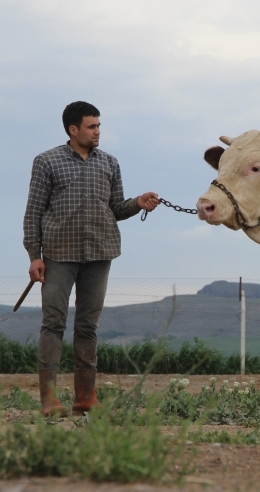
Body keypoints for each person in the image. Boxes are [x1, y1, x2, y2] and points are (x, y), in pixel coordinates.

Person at [23, 101, 160, 416]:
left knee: (87, 326)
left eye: (99, 126)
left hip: (100, 253)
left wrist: (137, 202)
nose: (98, 132)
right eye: (92, 126)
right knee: (53, 323)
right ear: (74, 130)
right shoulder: (46, 162)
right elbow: (33, 211)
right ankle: (49, 399)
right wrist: (34, 255)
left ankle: (85, 398)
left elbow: (115, 209)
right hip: (58, 254)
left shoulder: (110, 163)